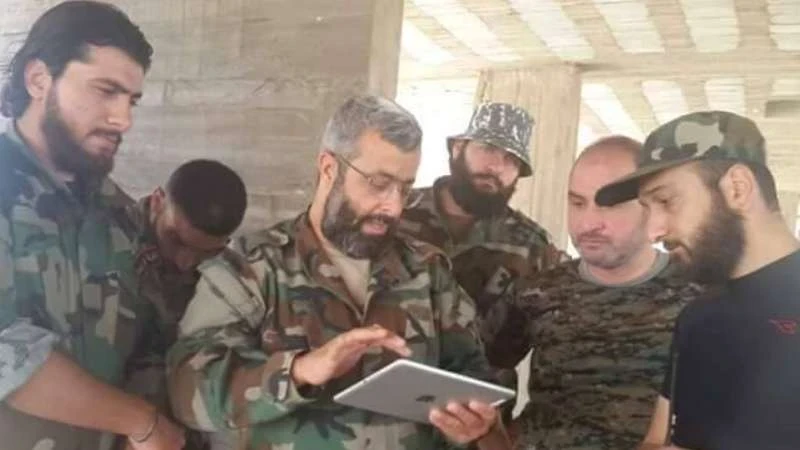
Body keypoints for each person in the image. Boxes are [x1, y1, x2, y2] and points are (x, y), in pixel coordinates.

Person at [167, 94, 510, 449]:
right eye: (378, 184)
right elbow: (186, 390)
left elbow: (471, 374)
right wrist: (300, 371)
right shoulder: (250, 268)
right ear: (329, 168)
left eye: (405, 189)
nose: (393, 207)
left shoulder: (427, 270)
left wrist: (472, 425)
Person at [0, 2, 184, 449]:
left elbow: (146, 337)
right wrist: (140, 421)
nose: (124, 119)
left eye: (131, 100)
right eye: (106, 91)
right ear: (38, 79)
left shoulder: (118, 211)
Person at [594, 111, 800, 450]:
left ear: (737, 188)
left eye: (666, 201)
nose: (653, 231)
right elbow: (659, 440)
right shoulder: (698, 317)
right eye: (647, 209)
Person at [484, 136, 703, 449]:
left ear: (651, 207)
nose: (588, 223)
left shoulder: (699, 296)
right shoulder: (535, 292)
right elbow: (480, 374)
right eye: (577, 203)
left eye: (609, 205)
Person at [398, 102, 564, 387]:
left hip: (479, 400)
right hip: (389, 389)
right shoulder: (395, 213)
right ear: (457, 148)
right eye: (487, 149)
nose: (496, 167)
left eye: (511, 160)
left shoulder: (531, 246)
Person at [122, 159, 247, 450]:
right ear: (157, 201)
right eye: (176, 240)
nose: (185, 262)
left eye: (206, 252)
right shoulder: (109, 243)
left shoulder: (228, 271)